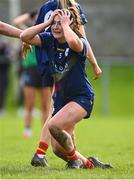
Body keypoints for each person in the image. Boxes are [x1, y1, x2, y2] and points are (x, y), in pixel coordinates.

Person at [20, 8, 112, 169]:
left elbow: (73, 43)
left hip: (81, 98)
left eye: (60, 24)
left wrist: (66, 25)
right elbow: (24, 36)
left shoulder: (79, 41)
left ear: (71, 24)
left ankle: (74, 160)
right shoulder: (49, 39)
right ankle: (90, 164)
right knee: (57, 149)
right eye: (54, 23)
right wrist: (48, 22)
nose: (56, 27)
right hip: (62, 100)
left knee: (53, 125)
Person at [13, 11, 53, 138]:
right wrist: (30, 14)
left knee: (45, 105)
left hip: (44, 70)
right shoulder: (28, 34)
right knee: (29, 103)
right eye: (35, 17)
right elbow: (17, 22)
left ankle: (45, 133)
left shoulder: (45, 36)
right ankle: (27, 130)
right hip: (30, 70)